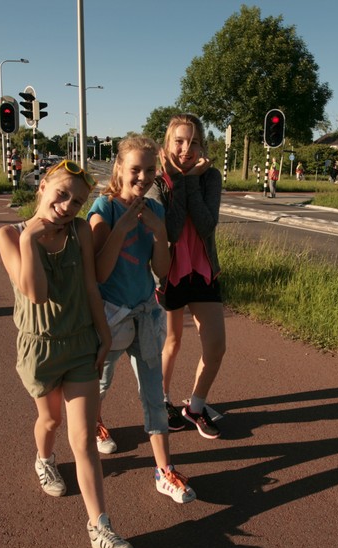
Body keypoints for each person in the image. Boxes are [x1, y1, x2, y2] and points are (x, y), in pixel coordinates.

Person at [0, 159, 132, 548]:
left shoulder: (79, 231)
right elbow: (36, 294)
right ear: (42, 188)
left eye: (77, 201)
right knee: (51, 420)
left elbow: (90, 285)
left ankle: (100, 527)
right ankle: (44, 459)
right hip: (39, 348)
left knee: (83, 439)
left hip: (80, 343)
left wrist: (104, 335)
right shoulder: (9, 235)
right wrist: (29, 239)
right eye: (62, 194)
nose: (68, 206)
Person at [87, 135, 196, 504]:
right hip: (111, 317)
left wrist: (159, 231)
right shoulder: (103, 209)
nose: (143, 177)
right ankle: (95, 424)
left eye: (150, 170)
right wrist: (123, 227)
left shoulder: (155, 211)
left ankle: (164, 471)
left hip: (146, 313)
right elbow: (100, 273)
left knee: (153, 394)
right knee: (101, 383)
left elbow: (161, 271)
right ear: (119, 167)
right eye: (136, 169)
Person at [147, 113, 226, 440]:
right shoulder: (156, 183)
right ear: (167, 146)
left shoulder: (211, 178)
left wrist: (192, 180)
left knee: (216, 346)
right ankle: (162, 401)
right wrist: (180, 181)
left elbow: (206, 225)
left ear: (202, 146)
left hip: (203, 272)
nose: (186, 148)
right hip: (169, 274)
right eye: (179, 141)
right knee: (172, 341)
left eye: (193, 142)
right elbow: (173, 230)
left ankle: (195, 406)